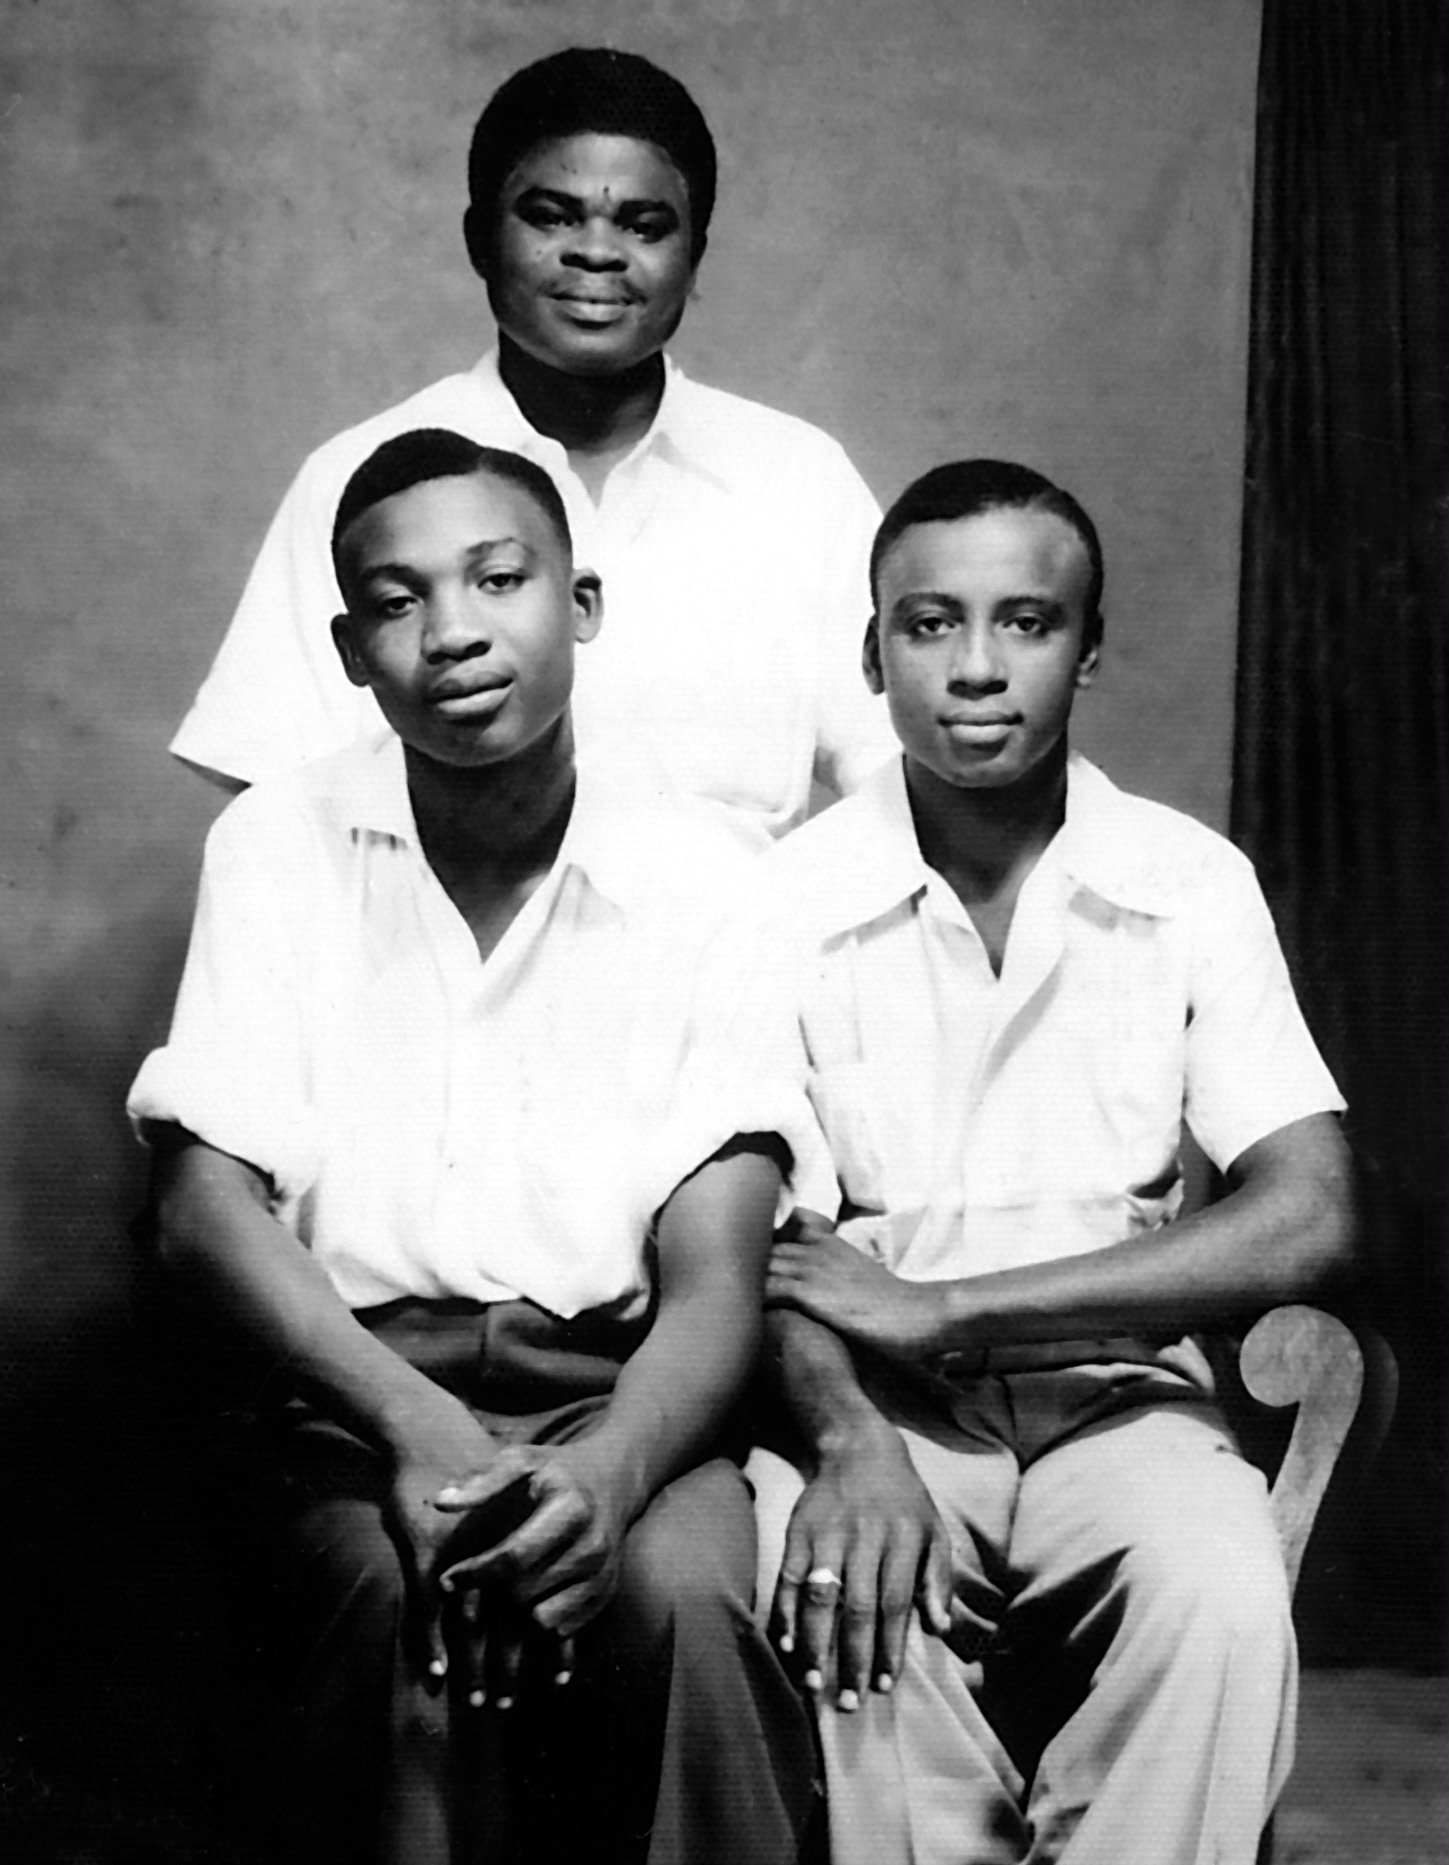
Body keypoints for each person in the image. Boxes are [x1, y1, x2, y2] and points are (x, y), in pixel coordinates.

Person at [129, 429, 816, 1865]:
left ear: (582, 603)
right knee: (396, 1609)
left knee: (688, 1602)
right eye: (398, 601)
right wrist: (415, 1428)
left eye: (499, 579)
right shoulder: (278, 843)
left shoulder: (715, 875)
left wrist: (611, 1473)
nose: (451, 631)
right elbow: (202, 1209)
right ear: (349, 649)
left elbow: (717, 1274)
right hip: (351, 1393)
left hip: (622, 1397)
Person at [745, 460, 1358, 1865]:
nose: (975, 667)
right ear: (871, 654)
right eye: (929, 624)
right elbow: (766, 1246)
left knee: (1223, 1598)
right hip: (882, 1405)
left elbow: (1311, 1211)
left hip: (1124, 1399)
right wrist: (845, 1440)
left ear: (1088, 649)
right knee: (835, 1582)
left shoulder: (1189, 878)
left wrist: (955, 1306)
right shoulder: (779, 900)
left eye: (1025, 622)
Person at [170, 46, 893, 845]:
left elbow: (904, 771)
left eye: (643, 225)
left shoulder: (795, 478)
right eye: (550, 216)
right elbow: (277, 814)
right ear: (479, 240)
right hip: (432, 926)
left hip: (731, 928)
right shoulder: (357, 481)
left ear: (693, 258)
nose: (596, 251)